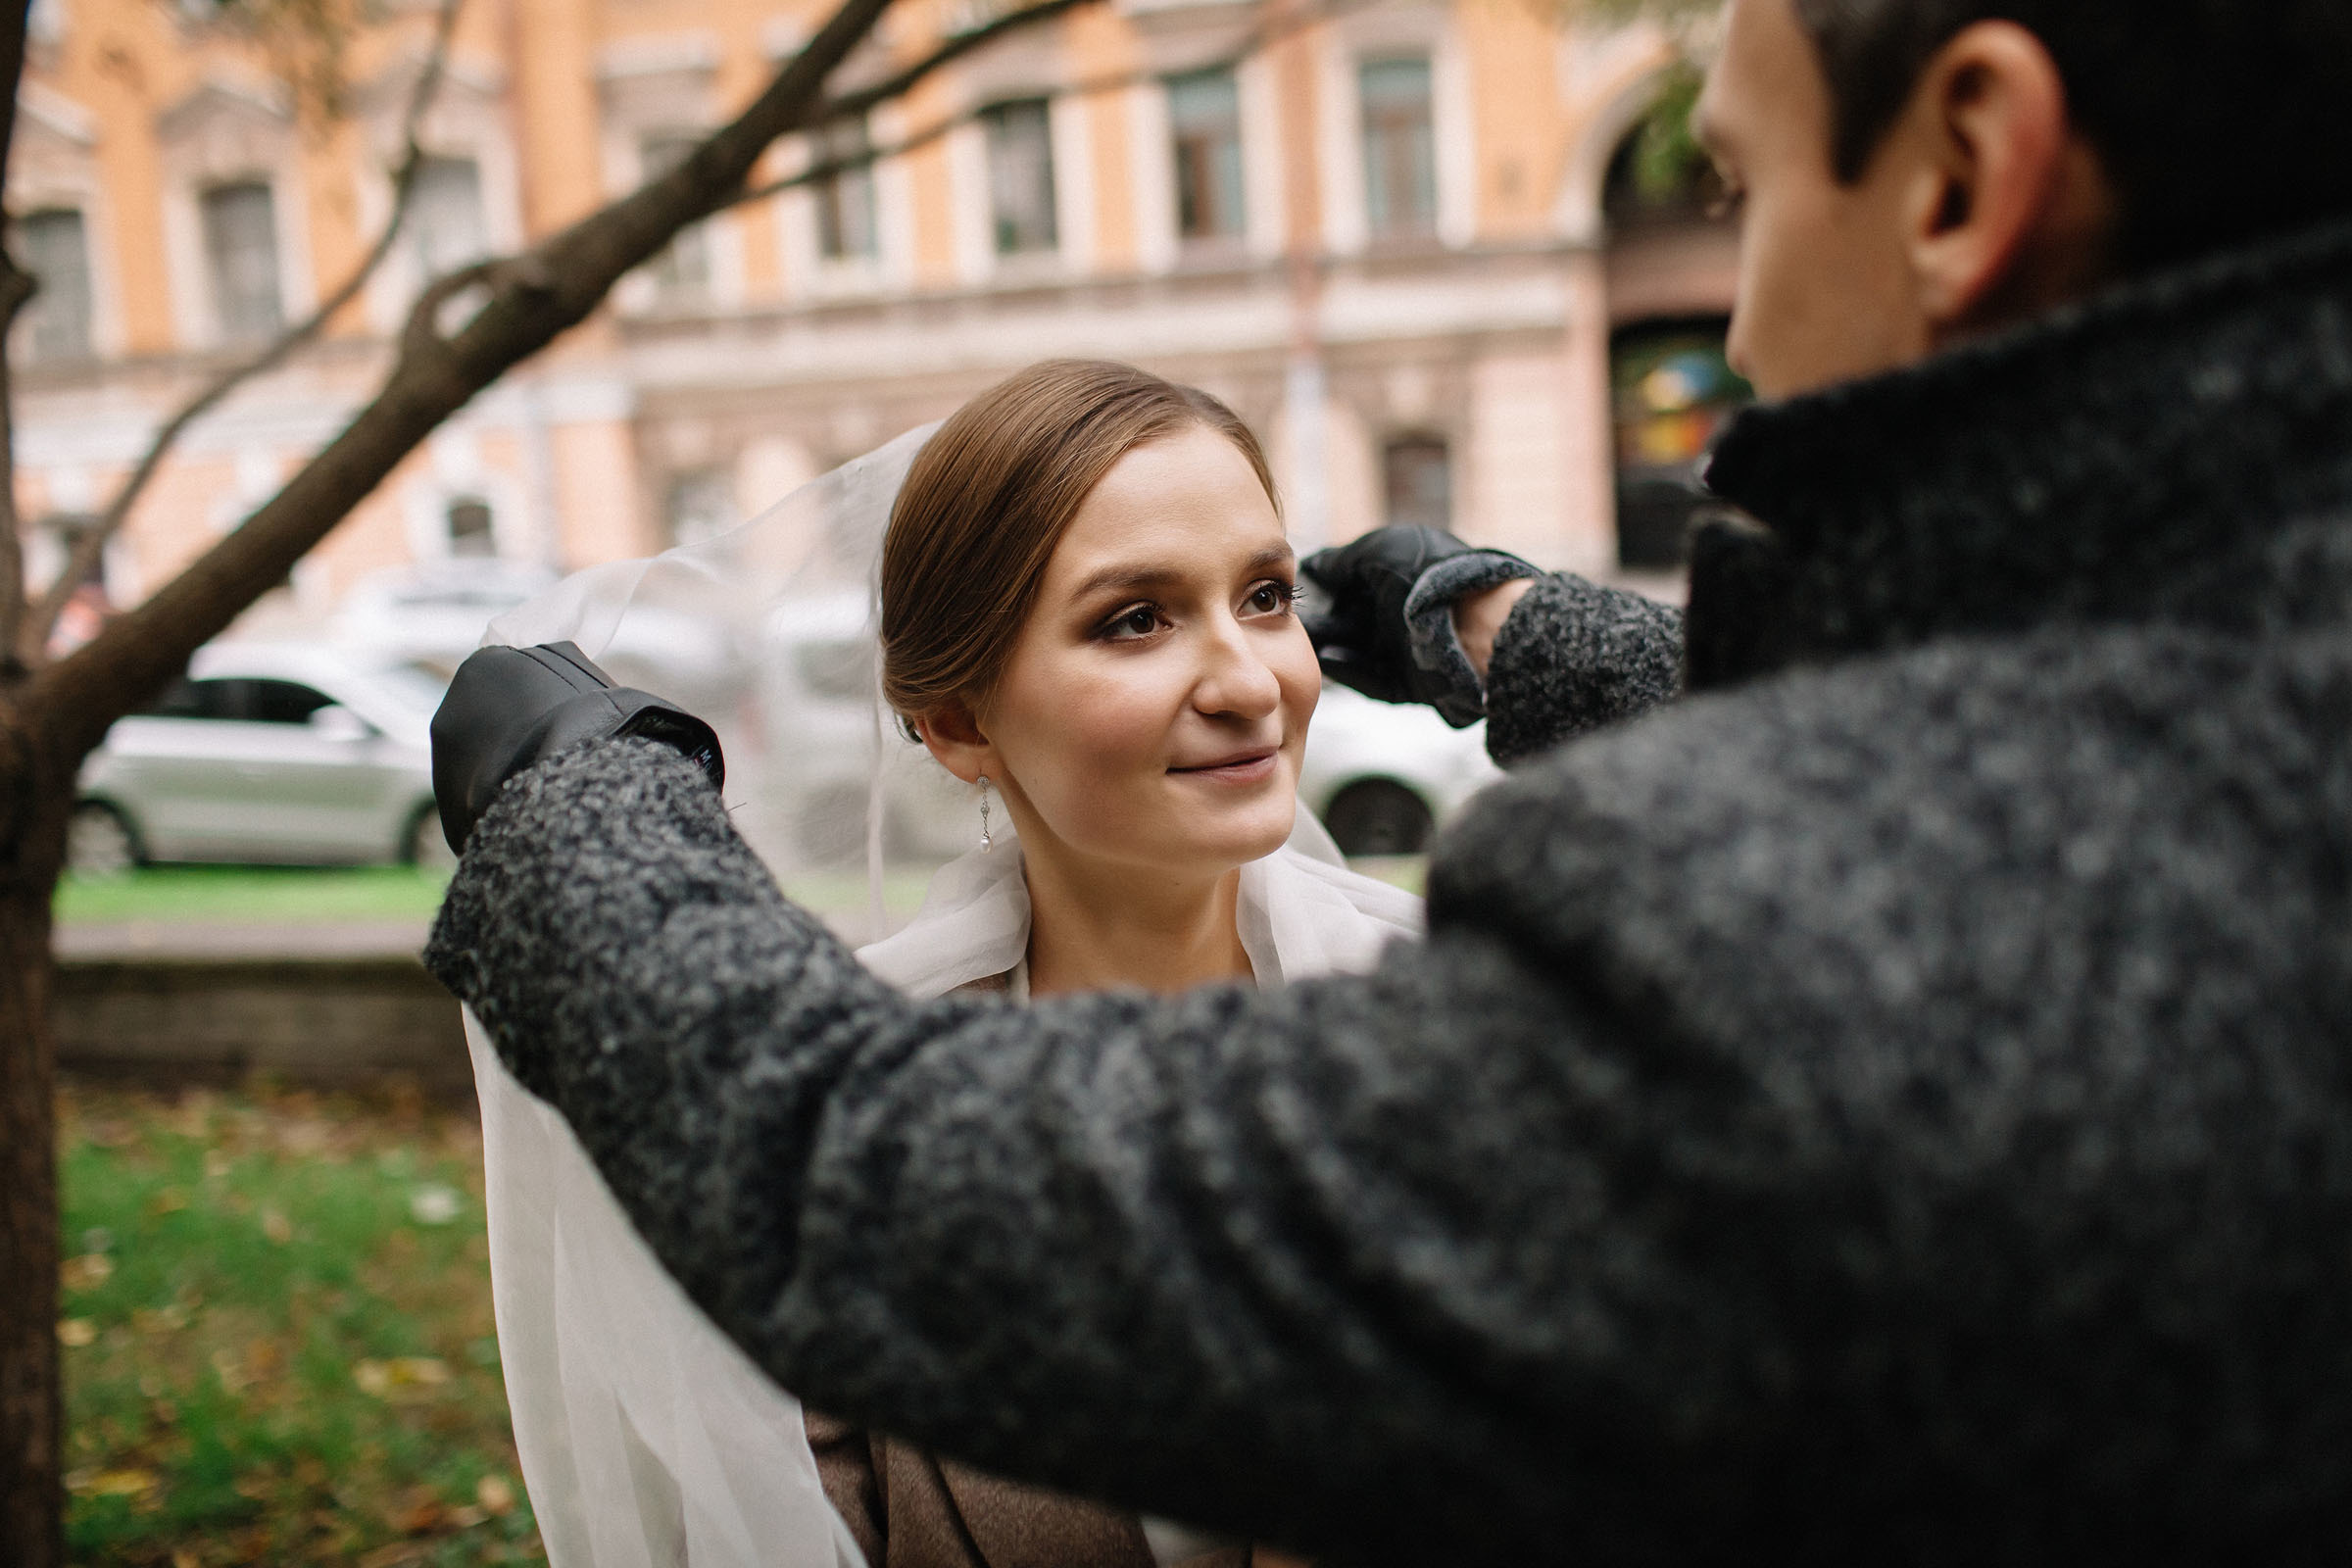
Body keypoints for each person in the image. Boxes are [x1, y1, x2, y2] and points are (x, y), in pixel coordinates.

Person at [425, 0, 2352, 1560]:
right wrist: (1508, 625)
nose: (1741, 318)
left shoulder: (1795, 943)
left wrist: (582, 819)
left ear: (1963, 166)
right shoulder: (2247, 672)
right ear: (952, 714)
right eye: (1131, 618)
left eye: (1741, 181)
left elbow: (886, 1186)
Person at [451, 362, 1416, 1568]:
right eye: (1136, 618)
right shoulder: (819, 1133)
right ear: (959, 721)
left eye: (1266, 596)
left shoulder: (1462, 1023)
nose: (1249, 682)